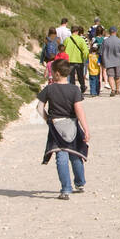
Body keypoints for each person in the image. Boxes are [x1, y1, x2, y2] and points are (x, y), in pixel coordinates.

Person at [38, 60, 90, 200]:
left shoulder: (49, 89)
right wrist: (85, 128)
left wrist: (48, 119)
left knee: (61, 157)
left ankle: (66, 189)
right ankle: (80, 183)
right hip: (72, 124)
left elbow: (39, 107)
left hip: (56, 126)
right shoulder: (74, 89)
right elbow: (79, 110)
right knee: (75, 154)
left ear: (56, 73)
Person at [99, 27, 120, 97]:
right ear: (116, 32)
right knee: (118, 76)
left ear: (109, 32)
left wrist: (102, 61)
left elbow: (101, 52)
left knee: (110, 76)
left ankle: (112, 90)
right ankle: (117, 90)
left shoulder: (105, 41)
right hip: (118, 61)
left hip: (108, 61)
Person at [65, 25, 90, 94]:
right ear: (77, 31)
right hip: (79, 60)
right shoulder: (81, 39)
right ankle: (82, 86)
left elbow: (63, 49)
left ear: (71, 31)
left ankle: (73, 89)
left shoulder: (67, 39)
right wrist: (86, 58)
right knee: (80, 75)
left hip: (69, 60)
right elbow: (85, 50)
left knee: (72, 76)